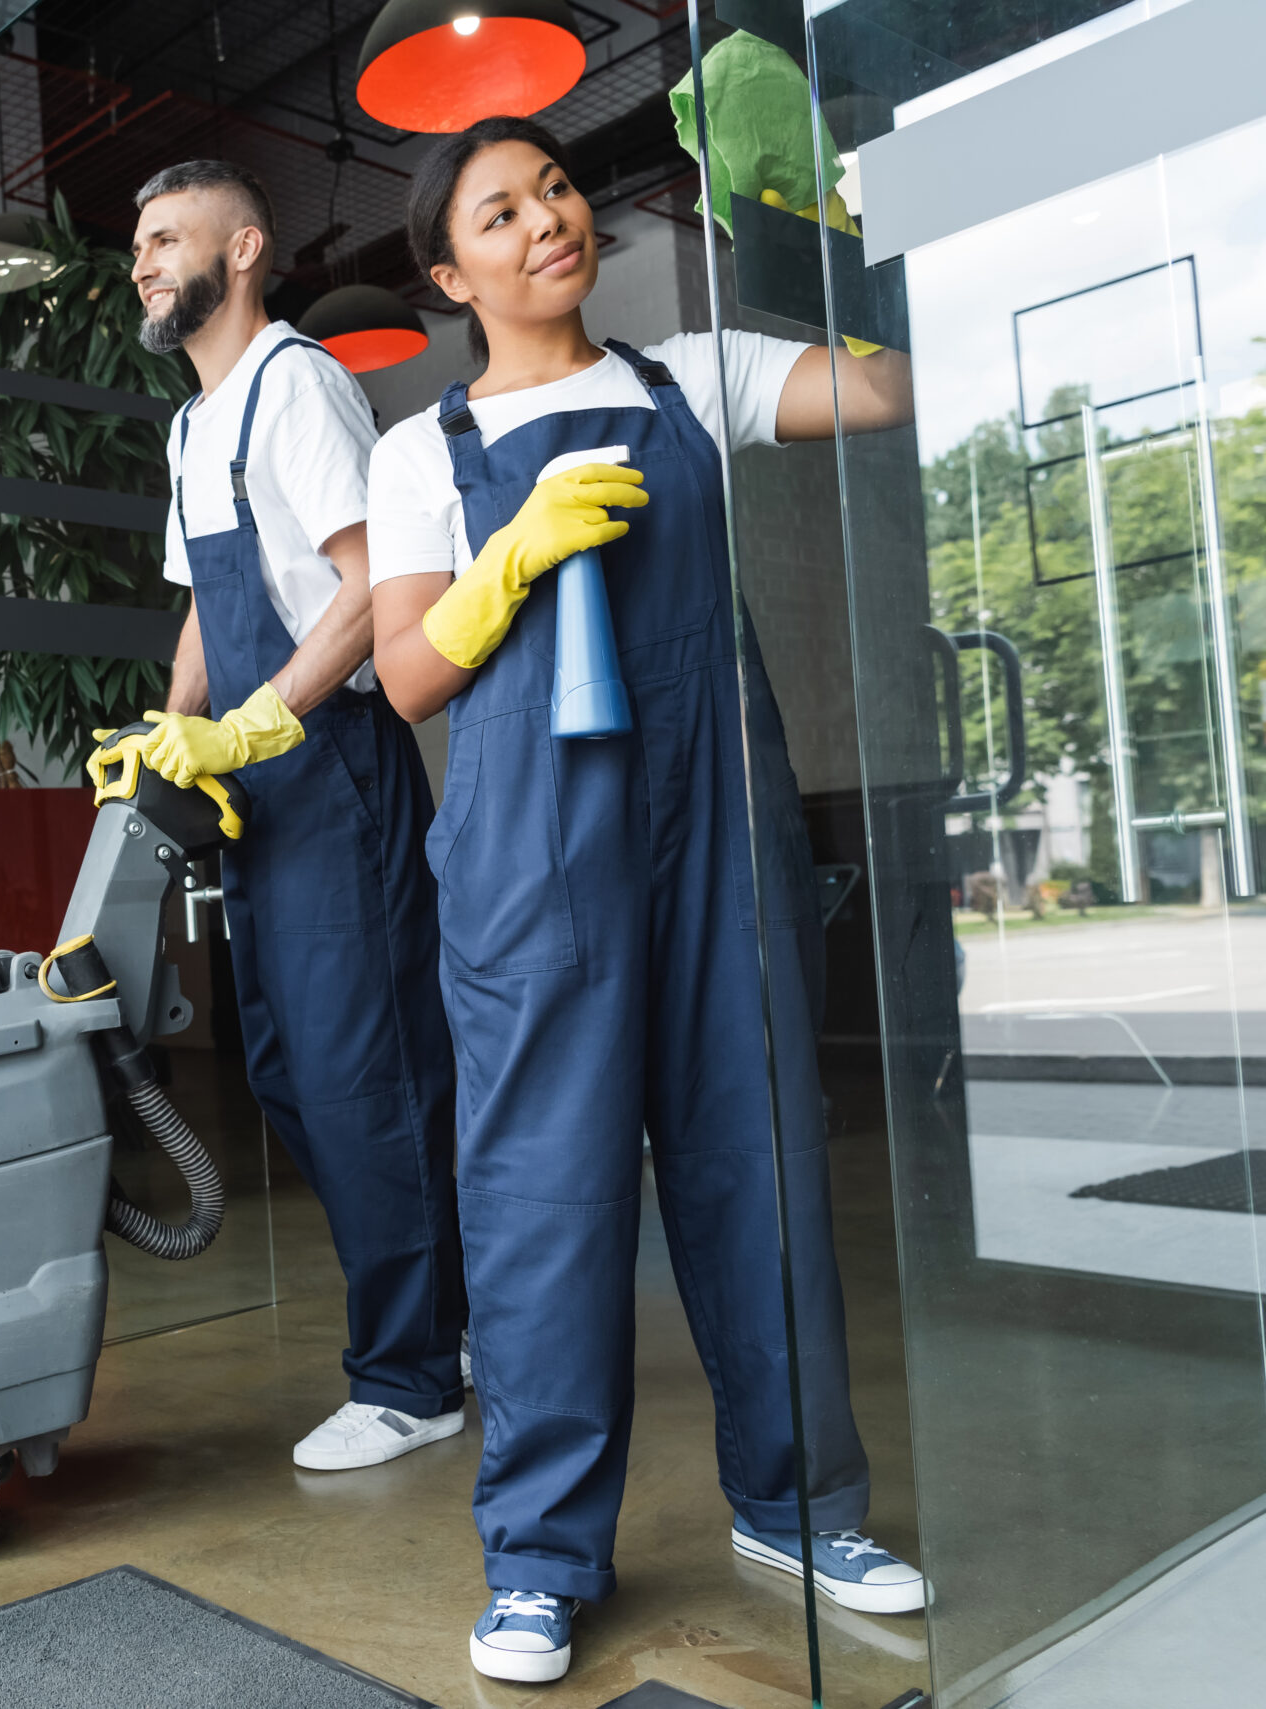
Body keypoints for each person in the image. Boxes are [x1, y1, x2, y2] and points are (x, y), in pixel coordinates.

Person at [364, 118, 925, 1684]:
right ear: (448, 273)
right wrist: (506, 564)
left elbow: (890, 388)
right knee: (545, 1200)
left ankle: (799, 1505)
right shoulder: (421, 454)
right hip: (530, 866)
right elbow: (405, 676)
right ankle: (540, 1558)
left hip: (717, 833)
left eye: (554, 188)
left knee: (760, 1161)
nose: (546, 218)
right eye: (499, 211)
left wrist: (814, 221)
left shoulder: (692, 379)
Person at [90, 160, 467, 1471]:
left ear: (242, 248)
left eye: (166, 236)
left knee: (368, 1080)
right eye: (138, 244)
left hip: (335, 767)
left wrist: (258, 723)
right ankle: (454, 1317)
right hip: (256, 791)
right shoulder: (193, 427)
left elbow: (370, 590)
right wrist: (169, 733)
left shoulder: (295, 384)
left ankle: (411, 1376)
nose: (143, 261)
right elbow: (210, 602)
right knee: (284, 1072)